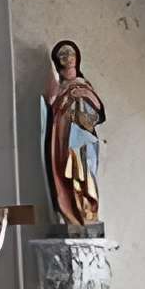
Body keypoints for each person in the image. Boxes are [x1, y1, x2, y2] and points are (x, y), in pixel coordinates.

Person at [41, 38, 107, 235]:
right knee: (65, 173)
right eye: (63, 55)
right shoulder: (59, 88)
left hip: (83, 139)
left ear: (77, 58)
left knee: (85, 172)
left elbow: (98, 113)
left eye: (70, 54)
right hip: (63, 139)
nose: (68, 58)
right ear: (57, 61)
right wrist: (55, 98)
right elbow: (51, 111)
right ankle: (71, 212)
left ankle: (88, 211)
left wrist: (82, 95)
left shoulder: (84, 85)